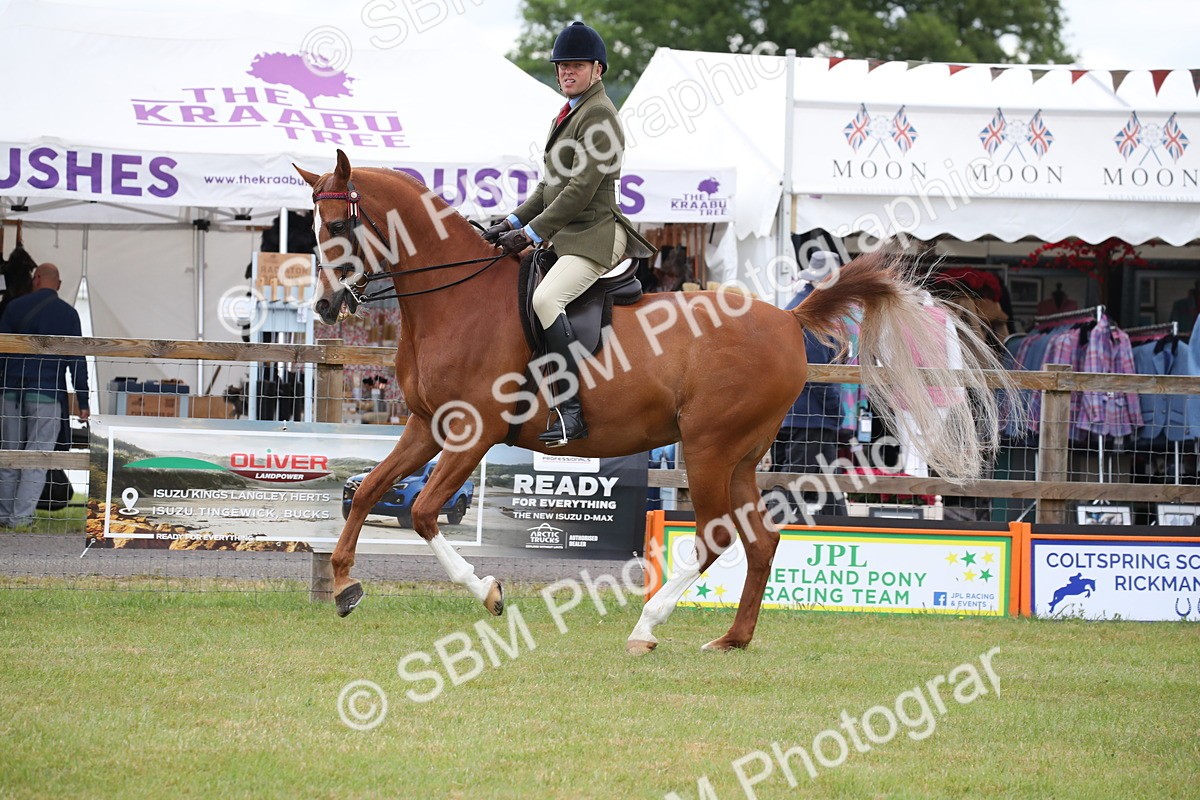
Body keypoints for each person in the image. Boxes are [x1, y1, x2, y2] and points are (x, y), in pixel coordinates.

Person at [482, 20, 654, 447]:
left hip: (595, 234)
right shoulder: (570, 112)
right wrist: (512, 222)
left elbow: (580, 190)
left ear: (598, 69)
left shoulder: (600, 115)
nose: (566, 73)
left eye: (575, 65)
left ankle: (570, 410)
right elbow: (549, 185)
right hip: (567, 235)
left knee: (546, 298)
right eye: (561, 66)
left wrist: (533, 233)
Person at [0, 263, 90, 527]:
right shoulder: (68, 314)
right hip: (47, 393)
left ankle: (3, 517)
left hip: (9, 392)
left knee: (7, 456)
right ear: (58, 285)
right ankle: (20, 519)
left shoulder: (14, 307)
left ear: (36, 279)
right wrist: (83, 400)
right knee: (37, 458)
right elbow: (77, 359)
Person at [770, 252, 847, 519]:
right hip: (810, 414)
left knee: (806, 479)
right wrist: (837, 411)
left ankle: (840, 526)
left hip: (798, 412)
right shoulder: (812, 314)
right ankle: (838, 528)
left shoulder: (799, 306)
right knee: (797, 481)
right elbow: (817, 375)